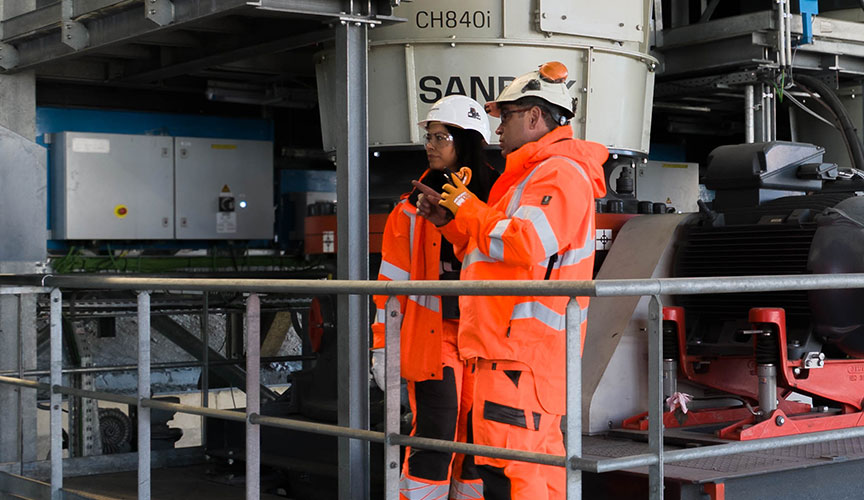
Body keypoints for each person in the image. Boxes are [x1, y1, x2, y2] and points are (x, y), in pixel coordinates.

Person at [412, 62, 608, 499]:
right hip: (506, 353)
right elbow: (493, 256)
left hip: (524, 357)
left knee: (518, 475)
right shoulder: (529, 174)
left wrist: (467, 205)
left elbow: (526, 244)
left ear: (535, 117)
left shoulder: (559, 172)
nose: (497, 128)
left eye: (507, 116)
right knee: (513, 473)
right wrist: (451, 222)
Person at [370, 94, 498, 500]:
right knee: (437, 430)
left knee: (477, 434)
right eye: (429, 136)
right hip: (433, 338)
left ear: (468, 141)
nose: (430, 144)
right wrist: (380, 346)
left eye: (441, 136)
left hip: (485, 339)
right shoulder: (409, 210)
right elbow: (389, 286)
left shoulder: (499, 201)